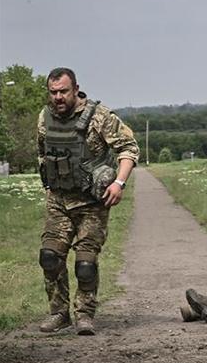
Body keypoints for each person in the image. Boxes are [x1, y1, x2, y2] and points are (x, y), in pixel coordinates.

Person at [36, 67, 139, 335]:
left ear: (76, 89)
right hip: (59, 200)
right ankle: (59, 313)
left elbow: (128, 148)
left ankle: (84, 315)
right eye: (53, 92)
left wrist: (119, 182)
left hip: (92, 202)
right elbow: (42, 153)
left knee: (85, 263)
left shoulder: (98, 116)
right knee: (49, 256)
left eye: (63, 91)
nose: (58, 97)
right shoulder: (45, 118)